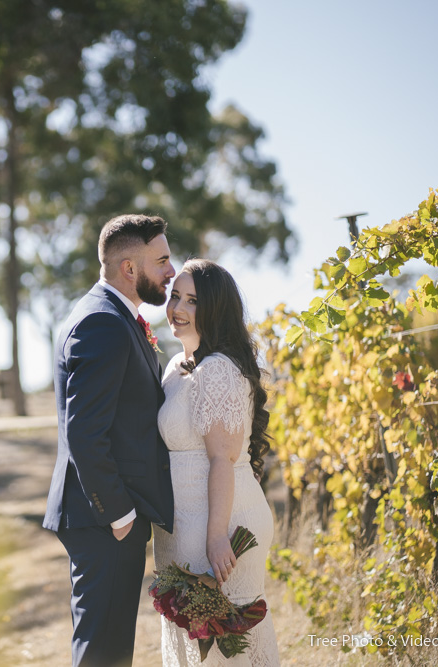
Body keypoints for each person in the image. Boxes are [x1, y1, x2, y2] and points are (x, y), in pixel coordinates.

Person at [44, 213, 177, 666]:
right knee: (103, 651)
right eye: (162, 260)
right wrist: (119, 514)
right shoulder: (103, 323)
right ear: (129, 269)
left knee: (112, 646)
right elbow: (85, 430)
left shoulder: (112, 316)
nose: (171, 271)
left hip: (107, 517)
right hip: (104, 518)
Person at [151, 258, 280, 666]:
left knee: (225, 649)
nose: (178, 308)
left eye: (193, 300)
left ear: (215, 310)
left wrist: (216, 536)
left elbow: (223, 460)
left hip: (220, 523)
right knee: (194, 646)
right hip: (182, 525)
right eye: (175, 297)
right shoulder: (175, 368)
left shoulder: (218, 369)